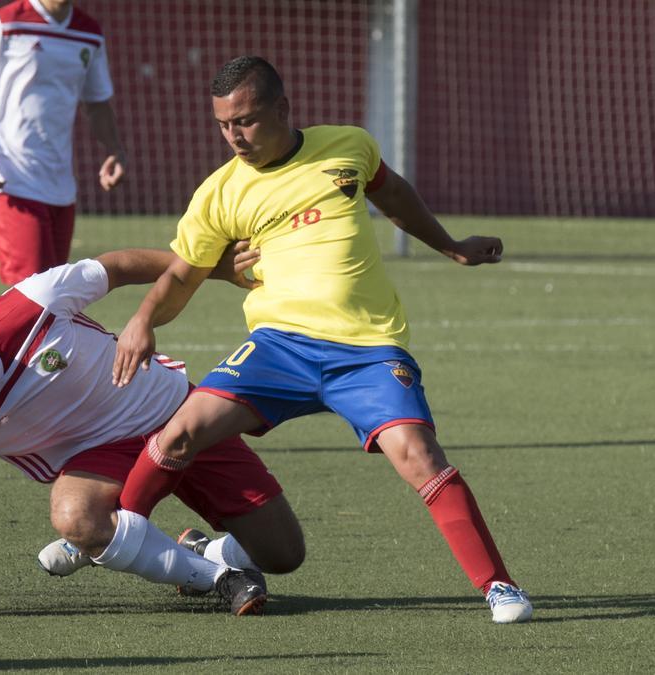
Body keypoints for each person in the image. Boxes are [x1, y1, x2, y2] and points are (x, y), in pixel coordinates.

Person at [110, 56, 534, 624]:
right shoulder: (219, 193)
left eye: (247, 120)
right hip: (280, 346)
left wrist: (450, 245)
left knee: (419, 455)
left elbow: (395, 196)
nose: (235, 136)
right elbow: (181, 276)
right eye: (223, 124)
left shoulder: (348, 147)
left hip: (368, 350)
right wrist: (143, 319)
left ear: (283, 110)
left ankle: (499, 587)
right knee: (181, 429)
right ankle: (112, 536)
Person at [0, 247, 306, 618]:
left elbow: (119, 267)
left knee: (284, 555)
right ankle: (218, 578)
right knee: (76, 517)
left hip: (174, 411)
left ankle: (196, 550)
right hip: (102, 455)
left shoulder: (32, 305)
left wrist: (211, 269)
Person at [0, 0, 127, 285]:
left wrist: (115, 150)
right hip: (8, 181)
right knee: (31, 298)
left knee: (53, 300)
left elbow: (97, 103)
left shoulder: (89, 32)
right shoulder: (2, 24)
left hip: (61, 188)